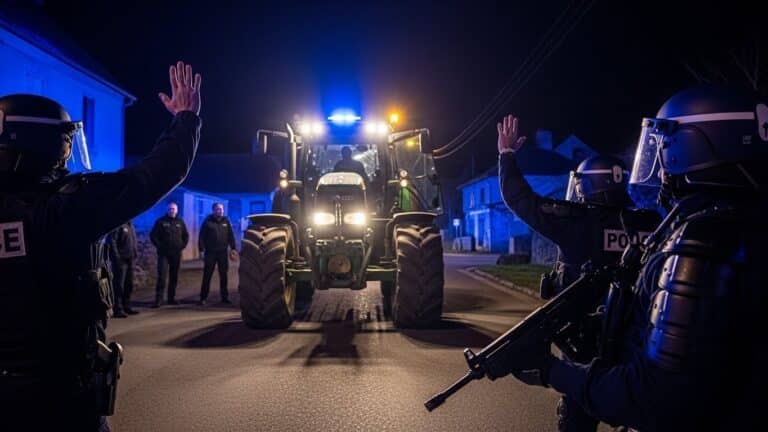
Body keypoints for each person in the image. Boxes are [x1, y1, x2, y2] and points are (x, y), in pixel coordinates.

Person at [490, 86, 766, 431]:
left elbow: (657, 396)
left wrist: (551, 370)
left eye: (663, 146)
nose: (661, 164)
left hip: (608, 377)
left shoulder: (698, 239)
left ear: (693, 145)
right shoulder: (656, 223)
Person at [0, 61, 202, 430]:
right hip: (57, 397)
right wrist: (185, 119)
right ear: (45, 145)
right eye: (65, 145)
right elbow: (156, 173)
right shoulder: (63, 209)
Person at [496, 114, 661, 431]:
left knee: (578, 419)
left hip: (584, 348)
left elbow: (521, 199)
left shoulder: (577, 222)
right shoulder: (651, 224)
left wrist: (506, 156)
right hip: (637, 348)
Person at [150, 202, 189, 307]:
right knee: (162, 277)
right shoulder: (160, 222)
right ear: (167, 210)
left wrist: (182, 246)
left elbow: (186, 236)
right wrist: (160, 246)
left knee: (174, 277)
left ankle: (171, 298)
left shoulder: (180, 222)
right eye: (170, 209)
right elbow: (153, 236)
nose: (172, 210)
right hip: (163, 254)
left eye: (174, 209)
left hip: (176, 254)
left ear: (177, 210)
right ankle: (159, 300)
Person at [198, 202, 237, 305]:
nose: (220, 211)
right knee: (207, 275)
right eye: (218, 209)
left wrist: (233, 248)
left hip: (222, 253)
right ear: (214, 210)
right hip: (210, 253)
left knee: (224, 275)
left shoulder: (226, 221)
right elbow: (201, 236)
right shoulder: (208, 221)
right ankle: (203, 298)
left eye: (221, 209)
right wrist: (201, 250)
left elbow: (231, 235)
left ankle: (224, 297)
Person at [106, 220, 139, 317]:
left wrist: (135, 253)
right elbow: (112, 241)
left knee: (129, 284)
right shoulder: (118, 225)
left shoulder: (130, 225)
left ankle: (126, 306)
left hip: (130, 259)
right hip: (121, 260)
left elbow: (132, 241)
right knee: (119, 285)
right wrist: (117, 258)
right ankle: (117, 309)